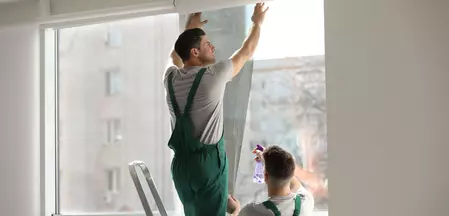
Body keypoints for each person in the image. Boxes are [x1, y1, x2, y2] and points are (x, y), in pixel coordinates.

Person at [163, 3, 269, 216]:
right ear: (195, 52)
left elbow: (174, 57)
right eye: (207, 44)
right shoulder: (213, 76)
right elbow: (247, 51)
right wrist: (257, 23)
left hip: (181, 168)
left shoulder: (170, 78)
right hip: (207, 166)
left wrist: (189, 30)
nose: (213, 47)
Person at [232, 145, 315, 216]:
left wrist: (235, 210)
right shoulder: (305, 201)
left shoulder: (251, 212)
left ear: (266, 176)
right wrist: (272, 161)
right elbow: (294, 181)